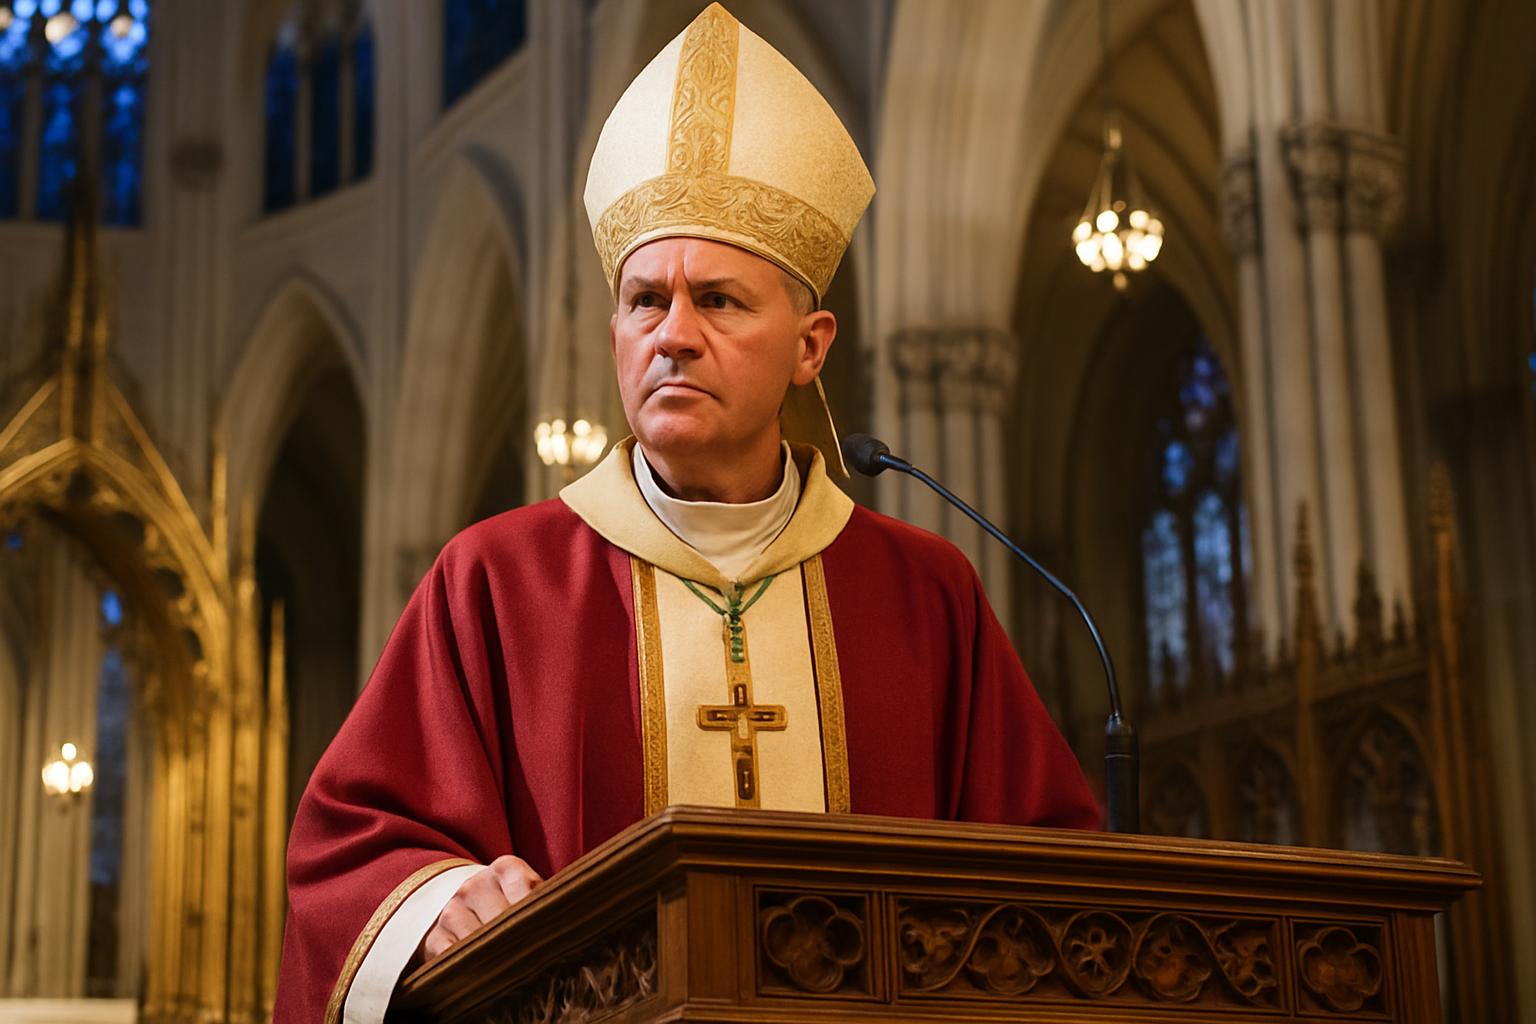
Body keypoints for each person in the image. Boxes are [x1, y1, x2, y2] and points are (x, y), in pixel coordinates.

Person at [273, 5, 1098, 1022]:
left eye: (718, 300)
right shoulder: (496, 581)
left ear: (810, 346)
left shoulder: (925, 593)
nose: (672, 334)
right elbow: (351, 846)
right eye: (643, 301)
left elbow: (1053, 881)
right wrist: (438, 897)